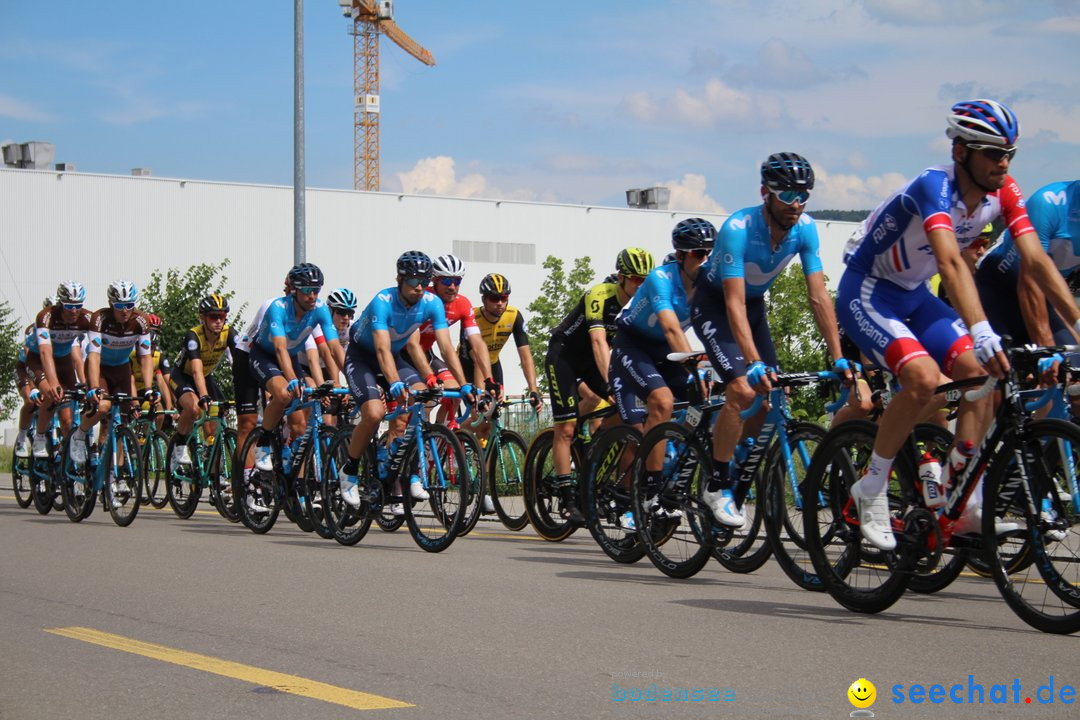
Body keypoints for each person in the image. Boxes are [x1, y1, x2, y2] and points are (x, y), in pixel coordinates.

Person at [836, 99, 1079, 551]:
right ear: (962, 151)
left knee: (983, 376)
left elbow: (1036, 260)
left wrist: (1079, 328)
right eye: (993, 153)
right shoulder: (934, 187)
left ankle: (962, 498)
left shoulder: (1005, 191)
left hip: (913, 296)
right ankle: (870, 488)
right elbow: (950, 261)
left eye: (1009, 153)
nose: (1003, 164)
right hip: (867, 290)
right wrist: (981, 329)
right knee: (924, 379)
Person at [691, 153, 851, 528]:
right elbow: (732, 303)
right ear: (765, 192)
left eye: (803, 195)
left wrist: (838, 355)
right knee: (745, 389)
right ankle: (716, 482)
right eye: (786, 195)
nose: (796, 204)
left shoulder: (806, 229)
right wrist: (752, 362)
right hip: (715, 305)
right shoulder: (738, 228)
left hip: (753, 305)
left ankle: (735, 454)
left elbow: (818, 296)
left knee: (772, 397)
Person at [336, 251, 474, 509]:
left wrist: (464, 383)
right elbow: (381, 350)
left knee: (424, 398)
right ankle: (350, 469)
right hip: (363, 357)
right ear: (399, 279)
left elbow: (445, 347)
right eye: (412, 281)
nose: (419, 287)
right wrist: (394, 382)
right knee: (375, 413)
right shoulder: (383, 301)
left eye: (424, 280)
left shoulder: (431, 303)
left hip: (394, 356)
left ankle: (403, 464)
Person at [609, 219, 714, 518]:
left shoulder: (708, 284)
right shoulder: (660, 279)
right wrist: (695, 364)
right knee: (662, 402)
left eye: (709, 252)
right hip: (634, 344)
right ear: (680, 256)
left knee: (701, 406)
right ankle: (650, 490)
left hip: (665, 352)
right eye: (697, 253)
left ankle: (669, 462)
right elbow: (670, 329)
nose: (704, 259)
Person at [545, 248, 654, 526]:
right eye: (636, 280)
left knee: (631, 416)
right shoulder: (600, 295)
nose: (642, 286)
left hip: (594, 361)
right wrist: (612, 384)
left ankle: (596, 452)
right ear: (621, 278)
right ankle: (567, 498)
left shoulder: (643, 302)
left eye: (646, 280)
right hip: (565, 357)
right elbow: (598, 342)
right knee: (567, 429)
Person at [249, 263, 345, 473]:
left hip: (289, 356)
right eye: (308, 291)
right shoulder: (279, 308)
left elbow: (333, 347)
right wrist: (292, 379)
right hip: (265, 355)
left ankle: (292, 460)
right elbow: (280, 348)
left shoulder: (319, 309)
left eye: (317, 290)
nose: (313, 296)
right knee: (284, 394)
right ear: (294, 291)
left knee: (305, 413)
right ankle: (263, 441)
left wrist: (347, 378)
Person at [974, 179, 1080, 350]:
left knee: (1072, 365)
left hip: (1046, 294)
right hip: (997, 286)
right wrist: (1046, 350)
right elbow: (1029, 283)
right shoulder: (1048, 202)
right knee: (1007, 367)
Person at [70, 281, 155, 465]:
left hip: (122, 369)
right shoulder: (100, 319)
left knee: (123, 420)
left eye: (129, 305)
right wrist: (93, 387)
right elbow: (93, 356)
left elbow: (146, 357)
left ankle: (118, 473)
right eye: (119, 306)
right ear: (111, 304)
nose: (125, 310)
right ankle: (79, 434)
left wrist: (148, 388)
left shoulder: (140, 321)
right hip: (101, 369)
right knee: (103, 407)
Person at [417, 254, 493, 426]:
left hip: (426, 353)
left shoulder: (463, 304)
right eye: (446, 281)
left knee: (456, 392)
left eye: (457, 281)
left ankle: (439, 438)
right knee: (427, 401)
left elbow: (478, 343)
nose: (452, 287)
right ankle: (417, 443)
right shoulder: (422, 299)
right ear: (434, 280)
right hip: (403, 354)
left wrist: (489, 380)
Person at [169, 294, 238, 467]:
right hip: (183, 377)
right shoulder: (194, 336)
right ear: (202, 317)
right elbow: (196, 370)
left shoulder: (229, 333)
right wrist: (204, 396)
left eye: (222, 316)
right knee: (193, 409)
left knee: (214, 427)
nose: (218, 321)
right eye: (213, 316)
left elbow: (239, 363)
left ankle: (213, 471)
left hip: (206, 377)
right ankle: (180, 443)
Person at [25, 282, 91, 457]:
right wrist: (53, 383)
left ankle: (67, 454)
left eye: (78, 306)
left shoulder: (86, 318)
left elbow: (86, 354)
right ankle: (39, 437)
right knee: (52, 395)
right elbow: (45, 352)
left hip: (63, 360)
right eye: (69, 306)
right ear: (61, 303)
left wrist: (87, 383)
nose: (74, 310)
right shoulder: (46, 317)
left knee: (68, 417)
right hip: (38, 359)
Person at [461, 273, 543, 413]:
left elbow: (525, 357)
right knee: (479, 417)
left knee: (494, 416)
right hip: (468, 366)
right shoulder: (472, 317)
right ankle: (454, 435)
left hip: (493, 364)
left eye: (504, 298)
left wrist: (534, 391)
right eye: (494, 298)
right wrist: (480, 394)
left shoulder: (514, 316)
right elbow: (477, 359)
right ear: (484, 299)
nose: (499, 303)